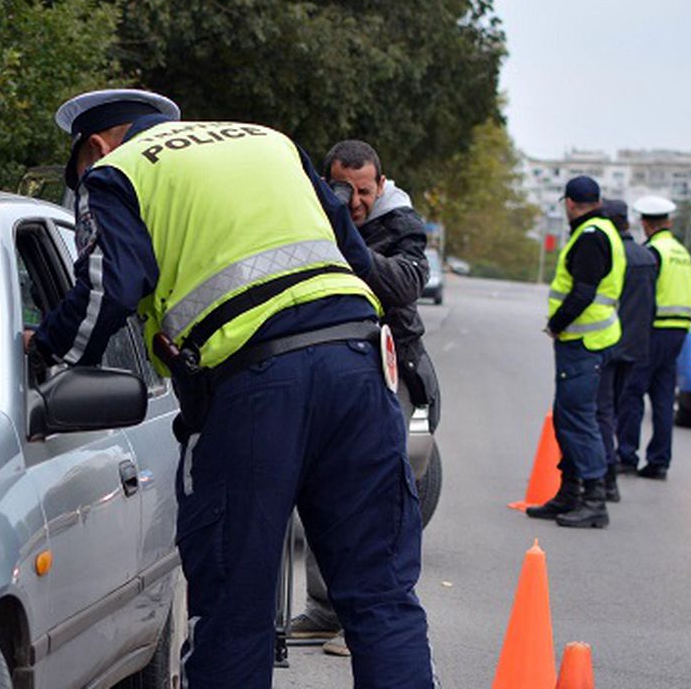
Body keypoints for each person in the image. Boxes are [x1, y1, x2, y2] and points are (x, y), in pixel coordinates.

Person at [25, 88, 434, 688]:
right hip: (359, 370)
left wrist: (48, 351)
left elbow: (108, 287)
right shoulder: (271, 143)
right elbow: (355, 256)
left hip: (255, 391)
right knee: (381, 598)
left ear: (94, 146)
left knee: (233, 608)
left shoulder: (118, 173)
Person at [291, 139, 441, 657]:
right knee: (320, 487)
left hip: (392, 368)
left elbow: (406, 282)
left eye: (363, 190)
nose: (354, 200)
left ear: (380, 185)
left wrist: (349, 249)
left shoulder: (401, 224)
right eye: (342, 189)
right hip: (336, 369)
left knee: (375, 499)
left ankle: (366, 623)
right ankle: (325, 610)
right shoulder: (309, 214)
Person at [526, 176, 623, 529]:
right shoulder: (603, 230)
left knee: (579, 419)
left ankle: (594, 498)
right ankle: (569, 492)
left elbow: (583, 292)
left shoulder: (591, 236)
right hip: (587, 343)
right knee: (567, 416)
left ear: (569, 203)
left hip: (585, 343)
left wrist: (556, 323)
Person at [616, 195, 691, 480]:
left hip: (654, 330)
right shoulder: (682, 252)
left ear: (645, 224)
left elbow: (645, 297)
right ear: (669, 222)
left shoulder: (653, 252)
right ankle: (659, 462)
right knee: (662, 397)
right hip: (678, 332)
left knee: (632, 392)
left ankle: (626, 455)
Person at [593, 199, 657, 502]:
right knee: (619, 408)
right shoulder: (646, 256)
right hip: (636, 348)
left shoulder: (611, 253)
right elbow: (649, 308)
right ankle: (618, 460)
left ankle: (607, 478)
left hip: (609, 343)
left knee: (602, 411)